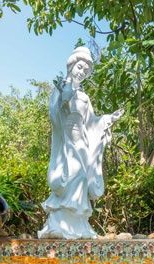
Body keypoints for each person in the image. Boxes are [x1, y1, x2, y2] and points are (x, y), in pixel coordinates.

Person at [38, 47, 124, 239]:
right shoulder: (60, 88)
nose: (81, 72)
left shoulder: (85, 97)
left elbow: (91, 122)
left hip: (82, 142)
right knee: (70, 176)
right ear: (71, 66)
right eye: (79, 67)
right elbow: (54, 113)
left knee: (83, 178)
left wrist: (108, 119)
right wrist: (63, 99)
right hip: (66, 139)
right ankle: (59, 223)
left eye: (85, 70)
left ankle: (79, 225)